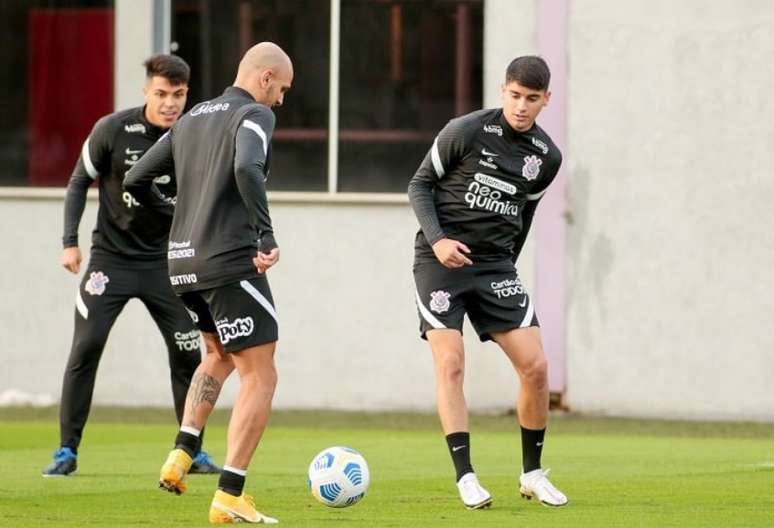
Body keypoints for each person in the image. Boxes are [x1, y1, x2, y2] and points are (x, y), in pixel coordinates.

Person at [124, 42, 292, 524]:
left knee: (216, 356)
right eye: (281, 88)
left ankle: (182, 451)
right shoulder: (255, 115)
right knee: (262, 373)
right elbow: (245, 166)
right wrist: (265, 234)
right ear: (264, 79)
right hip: (230, 260)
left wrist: (178, 218)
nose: (280, 99)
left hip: (181, 264)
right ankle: (230, 494)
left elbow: (135, 178)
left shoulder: (193, 117)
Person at [43, 54, 220, 477]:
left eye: (178, 95)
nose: (169, 103)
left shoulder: (195, 134)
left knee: (188, 357)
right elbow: (77, 181)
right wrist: (70, 242)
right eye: (161, 94)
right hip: (112, 261)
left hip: (168, 266)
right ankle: (67, 451)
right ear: (146, 91)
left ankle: (191, 451)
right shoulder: (113, 130)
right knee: (86, 347)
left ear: (187, 95)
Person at [408, 55, 569, 509]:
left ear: (546, 100)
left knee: (536, 368)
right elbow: (419, 186)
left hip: (496, 267)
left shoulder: (547, 157)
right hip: (440, 262)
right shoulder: (467, 129)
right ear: (503, 90)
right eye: (515, 95)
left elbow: (526, 215)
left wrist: (506, 268)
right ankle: (466, 476)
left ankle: (532, 474)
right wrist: (439, 242)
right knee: (452, 363)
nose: (521, 106)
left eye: (532, 99)